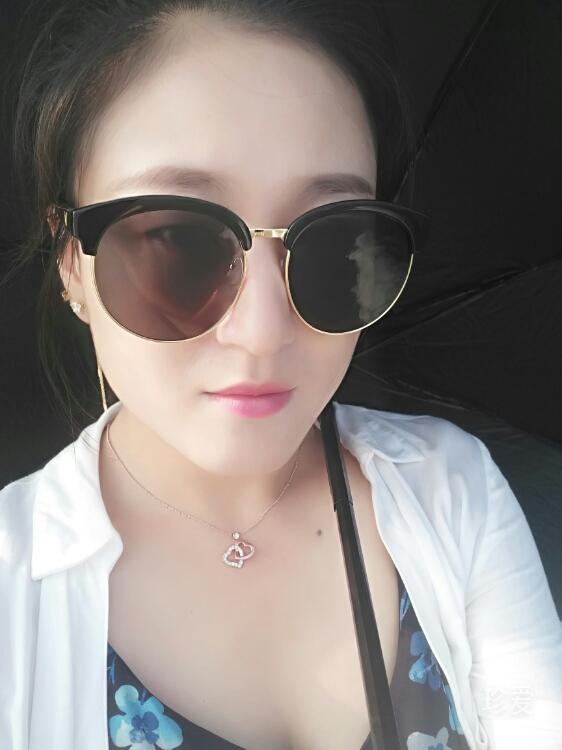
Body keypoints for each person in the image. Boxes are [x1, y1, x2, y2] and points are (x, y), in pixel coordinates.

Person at [1, 2, 561, 749]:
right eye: (177, 240)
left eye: (334, 239)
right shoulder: (13, 588)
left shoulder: (453, 491)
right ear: (72, 261)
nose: (264, 330)